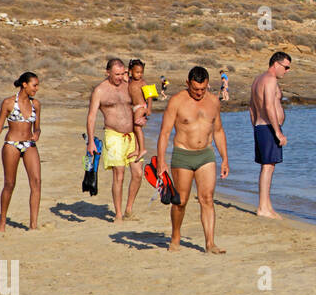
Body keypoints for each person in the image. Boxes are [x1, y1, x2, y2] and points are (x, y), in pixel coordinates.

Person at [156, 66, 229, 254]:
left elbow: (218, 131)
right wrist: (161, 162)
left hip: (206, 154)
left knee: (207, 199)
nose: (199, 93)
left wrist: (225, 159)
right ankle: (175, 236)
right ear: (188, 83)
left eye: (203, 89)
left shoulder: (213, 101)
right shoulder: (176, 101)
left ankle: (210, 243)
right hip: (183, 155)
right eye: (195, 89)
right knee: (180, 201)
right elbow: (164, 133)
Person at [0, 72, 44, 231]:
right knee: (9, 183)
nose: (37, 88)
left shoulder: (36, 104)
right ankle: (2, 221)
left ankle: (33, 225)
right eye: (35, 85)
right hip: (11, 145)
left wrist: (37, 133)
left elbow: (38, 127)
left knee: (36, 182)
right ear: (24, 85)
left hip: (29, 144)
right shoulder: (8, 103)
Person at [85, 58, 143, 222]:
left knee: (138, 173)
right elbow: (91, 117)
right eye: (116, 74)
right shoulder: (100, 91)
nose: (120, 77)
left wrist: (143, 116)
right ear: (108, 72)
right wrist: (90, 141)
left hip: (132, 135)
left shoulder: (129, 86)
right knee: (119, 174)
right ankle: (118, 214)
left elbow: (140, 105)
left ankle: (129, 210)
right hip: (113, 135)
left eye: (122, 73)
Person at [250, 51, 291, 219]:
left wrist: (255, 125)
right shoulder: (270, 79)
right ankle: (263, 207)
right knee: (268, 167)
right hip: (268, 127)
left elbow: (251, 107)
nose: (287, 71)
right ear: (276, 64)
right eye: (286, 67)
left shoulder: (258, 80)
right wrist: (277, 131)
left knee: (267, 166)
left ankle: (266, 205)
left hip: (261, 126)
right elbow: (268, 106)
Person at [128, 59, 151, 162]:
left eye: (141, 72)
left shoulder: (143, 83)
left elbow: (149, 96)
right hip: (134, 107)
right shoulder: (129, 80)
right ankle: (137, 149)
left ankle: (142, 149)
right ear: (131, 71)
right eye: (137, 72)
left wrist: (149, 108)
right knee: (134, 129)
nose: (140, 74)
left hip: (141, 106)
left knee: (137, 128)